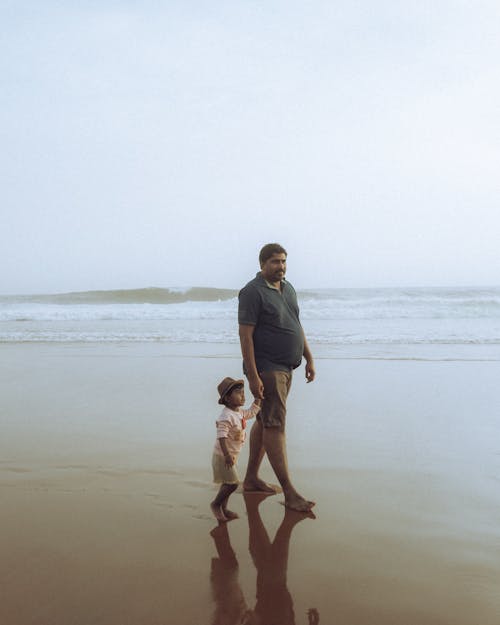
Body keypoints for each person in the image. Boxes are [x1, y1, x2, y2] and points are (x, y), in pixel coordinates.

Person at [238, 243, 316, 512]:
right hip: (267, 369)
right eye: (274, 262)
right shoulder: (252, 292)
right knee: (275, 426)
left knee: (264, 420)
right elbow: (245, 335)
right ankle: (290, 492)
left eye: (283, 261)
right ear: (262, 264)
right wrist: (253, 375)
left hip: (287, 367)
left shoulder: (288, 288)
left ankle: (250, 478)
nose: (280, 266)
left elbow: (296, 323)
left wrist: (308, 356)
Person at [211, 377, 261, 522]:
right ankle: (216, 504)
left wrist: (258, 398)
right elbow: (222, 436)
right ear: (227, 398)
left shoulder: (238, 412)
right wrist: (227, 455)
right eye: (238, 393)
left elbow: (251, 413)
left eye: (243, 392)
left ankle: (224, 509)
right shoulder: (226, 416)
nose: (243, 396)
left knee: (227, 482)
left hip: (231, 455)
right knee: (232, 484)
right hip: (223, 456)